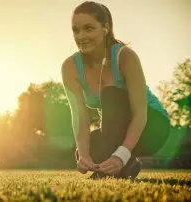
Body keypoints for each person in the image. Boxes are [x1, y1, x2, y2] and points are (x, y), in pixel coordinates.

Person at [61, 1, 170, 180]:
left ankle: (117, 167)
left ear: (105, 28)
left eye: (89, 28)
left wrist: (121, 155)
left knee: (111, 95)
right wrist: (83, 154)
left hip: (152, 126)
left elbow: (140, 113)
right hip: (116, 129)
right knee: (89, 146)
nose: (81, 36)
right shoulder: (70, 67)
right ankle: (128, 167)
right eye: (76, 30)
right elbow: (79, 116)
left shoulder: (125, 56)